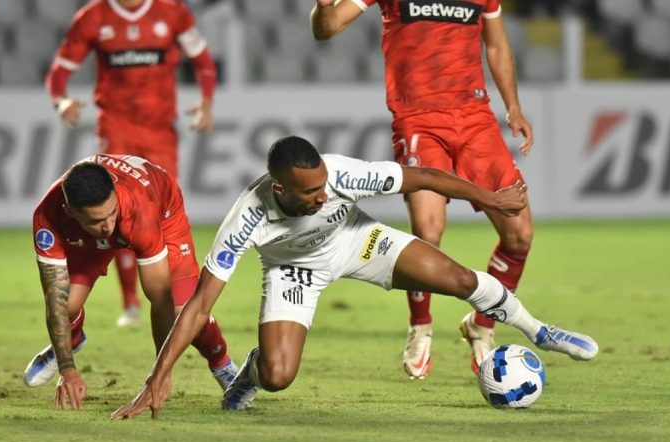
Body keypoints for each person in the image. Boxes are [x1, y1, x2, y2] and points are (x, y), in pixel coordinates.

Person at [111, 136, 598, 419]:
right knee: (280, 376)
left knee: (456, 278)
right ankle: (251, 374)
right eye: (310, 192)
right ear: (279, 188)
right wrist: (158, 376)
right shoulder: (247, 217)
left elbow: (423, 176)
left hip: (357, 241)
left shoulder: (342, 175)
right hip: (292, 270)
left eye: (325, 184)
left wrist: (488, 200)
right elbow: (198, 305)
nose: (323, 195)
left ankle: (539, 330)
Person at [311, 0, 536, 380]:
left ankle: (482, 324)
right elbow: (327, 27)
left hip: (475, 119)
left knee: (520, 234)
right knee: (428, 231)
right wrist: (321, 8)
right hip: (418, 119)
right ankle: (421, 325)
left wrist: (513, 106)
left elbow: (495, 44)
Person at [45, 0, 218, 329]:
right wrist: (61, 100)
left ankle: (176, 298)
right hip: (116, 128)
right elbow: (59, 70)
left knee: (157, 214)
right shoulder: (93, 17)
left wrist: (207, 101)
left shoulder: (172, 11)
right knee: (118, 210)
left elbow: (203, 60)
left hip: (160, 132)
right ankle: (130, 302)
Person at [23, 154, 237, 411]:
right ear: (70, 211)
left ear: (114, 194)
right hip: (85, 234)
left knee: (183, 308)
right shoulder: (47, 217)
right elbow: (54, 300)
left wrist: (161, 373)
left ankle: (222, 364)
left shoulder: (137, 208)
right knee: (66, 305)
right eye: (96, 220)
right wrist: (67, 369)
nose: (107, 225)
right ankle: (72, 340)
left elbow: (160, 297)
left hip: (162, 208)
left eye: (111, 213)